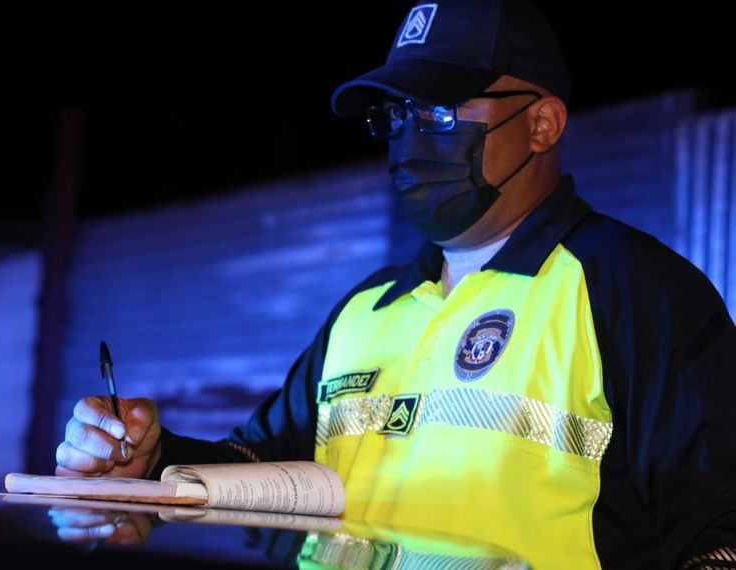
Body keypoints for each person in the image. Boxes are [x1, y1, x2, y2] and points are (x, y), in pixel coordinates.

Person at [56, 1, 735, 567]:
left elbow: (716, 528)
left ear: (540, 123)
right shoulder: (366, 308)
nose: (410, 141)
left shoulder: (629, 287)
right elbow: (269, 468)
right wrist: (149, 472)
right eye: (397, 118)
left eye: (439, 114)